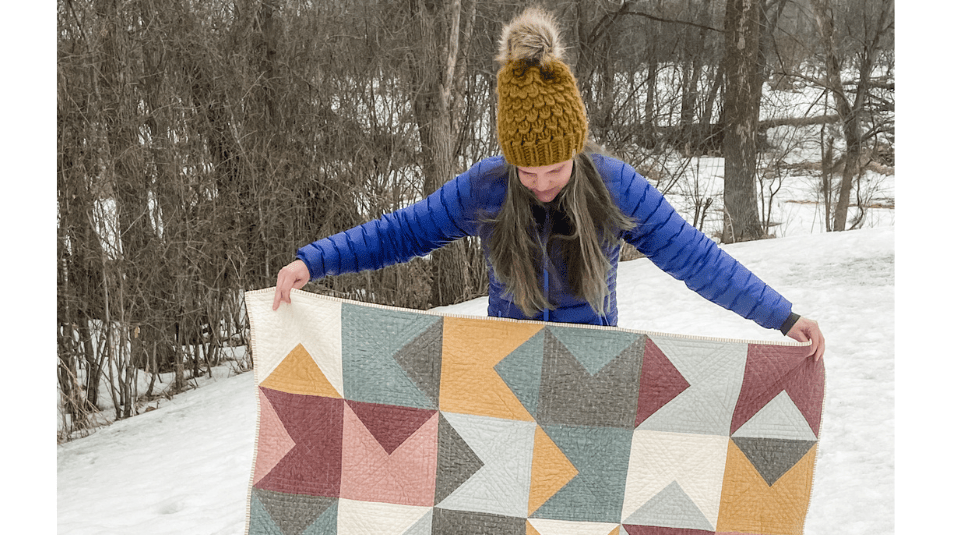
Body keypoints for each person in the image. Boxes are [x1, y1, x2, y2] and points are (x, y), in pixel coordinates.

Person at [272, 7, 824, 360]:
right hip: (506, 365)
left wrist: (783, 316)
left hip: (592, 366)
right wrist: (312, 262)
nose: (540, 184)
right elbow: (401, 233)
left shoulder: (614, 187)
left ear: (577, 153)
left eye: (555, 170)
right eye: (527, 171)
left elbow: (696, 257)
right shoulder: (485, 188)